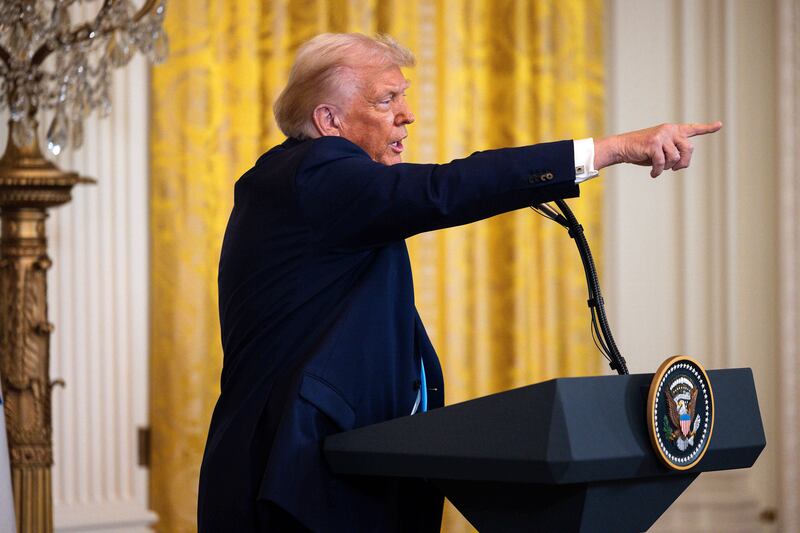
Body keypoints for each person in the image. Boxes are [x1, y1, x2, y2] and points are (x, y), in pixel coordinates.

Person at [197, 33, 721, 532]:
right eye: (386, 100)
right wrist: (611, 149)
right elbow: (443, 188)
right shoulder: (311, 173)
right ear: (328, 119)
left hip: (337, 476)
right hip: (291, 482)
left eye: (403, 97)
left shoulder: (326, 194)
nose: (407, 114)